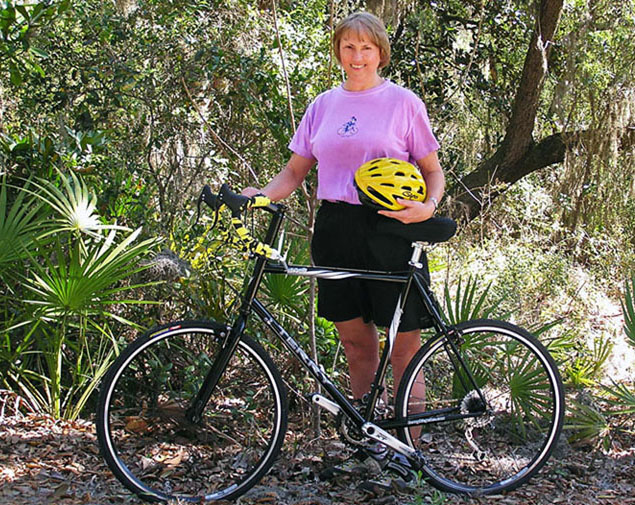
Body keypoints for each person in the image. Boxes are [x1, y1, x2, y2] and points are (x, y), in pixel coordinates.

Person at [242, 12, 445, 406]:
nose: (357, 56)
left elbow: (433, 170)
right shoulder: (323, 105)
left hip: (390, 230)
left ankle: (410, 455)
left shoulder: (404, 103)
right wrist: (262, 195)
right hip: (335, 230)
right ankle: (370, 444)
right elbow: (295, 170)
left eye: (365, 47)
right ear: (338, 51)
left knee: (404, 350)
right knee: (356, 346)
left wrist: (428, 206)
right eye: (348, 46)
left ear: (380, 53)